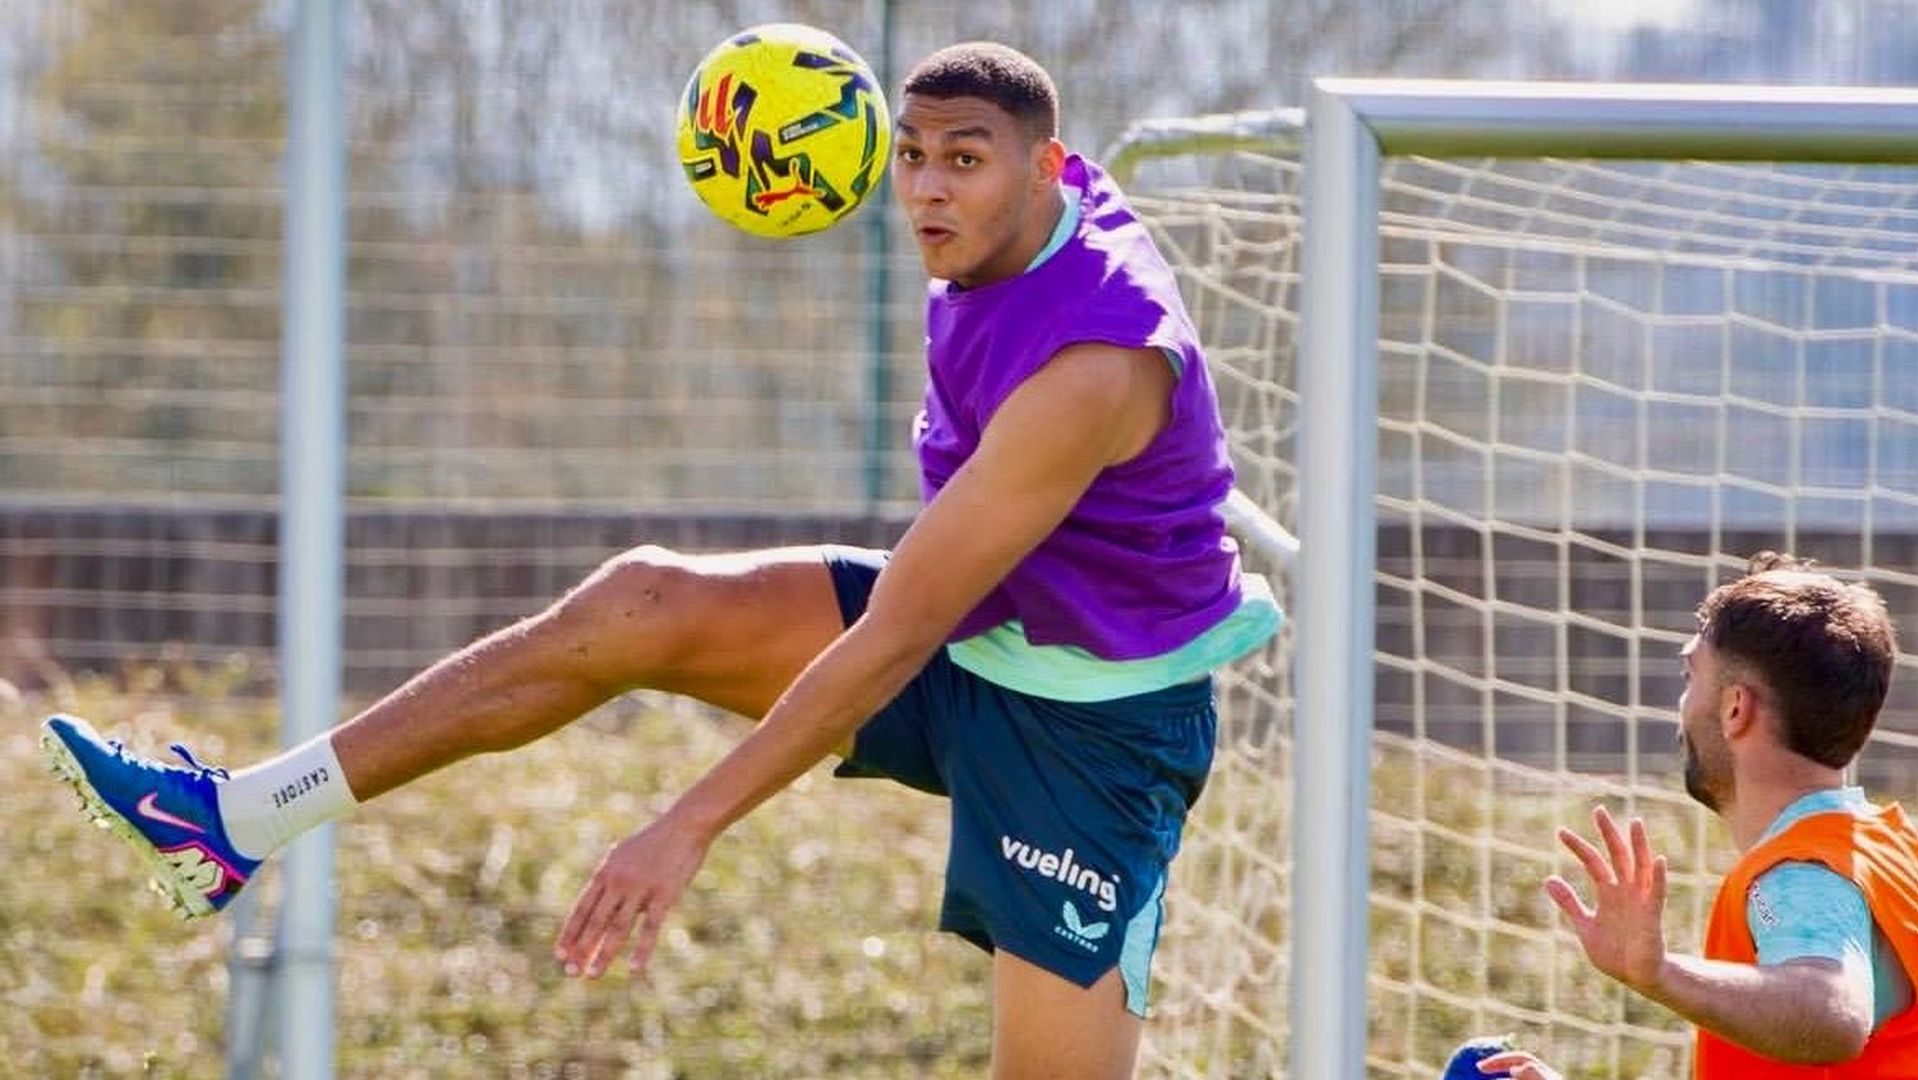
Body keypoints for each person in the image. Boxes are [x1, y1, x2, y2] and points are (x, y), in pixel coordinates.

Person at [40, 40, 1280, 1079]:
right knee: (639, 601)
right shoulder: (1005, 220)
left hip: (1092, 738)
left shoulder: (1096, 364)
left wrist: (685, 826)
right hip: (979, 638)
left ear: (1046, 168)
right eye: (912, 155)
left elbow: (898, 629)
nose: (929, 189)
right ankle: (234, 820)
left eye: (967, 159)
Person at [1488, 553, 1918, 1077]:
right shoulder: (1896, 851)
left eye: (1690, 674)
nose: (1682, 705)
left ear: (1735, 708)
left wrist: (1662, 974)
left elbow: (1836, 1012)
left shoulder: (1802, 874)